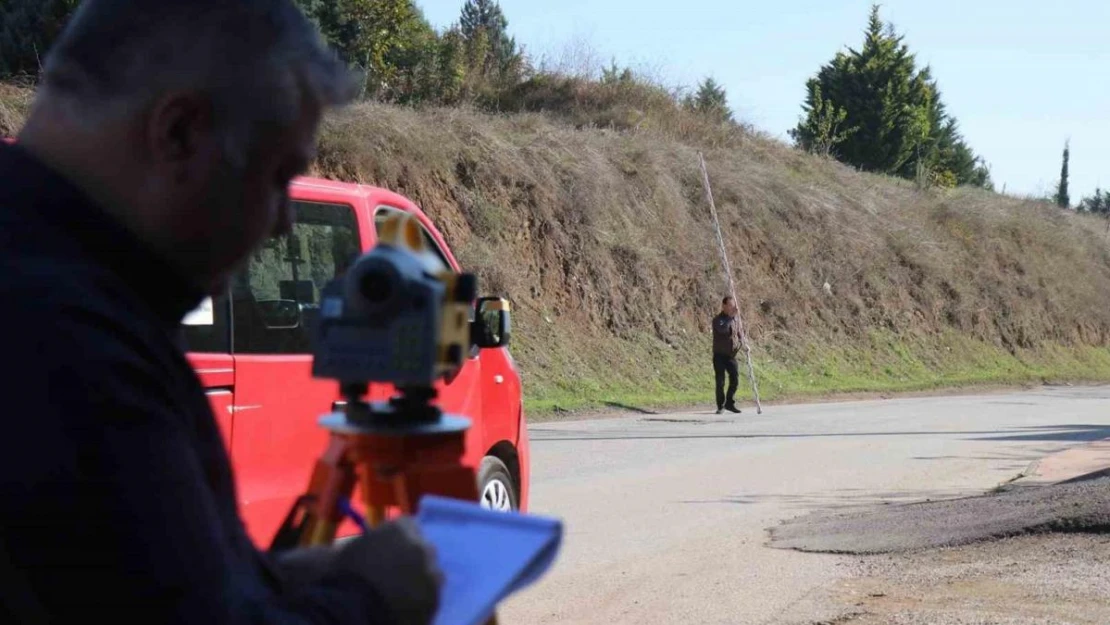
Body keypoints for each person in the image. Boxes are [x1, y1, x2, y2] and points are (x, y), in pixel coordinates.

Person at [0, 1, 442, 623]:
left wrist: (276, 580)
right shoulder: (76, 346)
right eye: (277, 174)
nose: (284, 220)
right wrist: (371, 595)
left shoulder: (61, 291)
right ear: (179, 132)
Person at [711, 296, 743, 415]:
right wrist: (731, 317)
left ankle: (729, 402)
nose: (732, 308)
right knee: (720, 381)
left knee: (734, 379)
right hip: (719, 355)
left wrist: (743, 343)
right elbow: (723, 330)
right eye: (730, 305)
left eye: (733, 305)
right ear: (724, 306)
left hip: (731, 355)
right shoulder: (718, 320)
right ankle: (720, 405)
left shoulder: (735, 320)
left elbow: (739, 333)